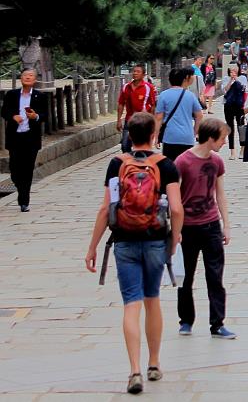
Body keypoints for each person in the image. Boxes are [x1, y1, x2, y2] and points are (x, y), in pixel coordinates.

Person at [84, 112, 183, 394]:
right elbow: (176, 208)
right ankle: (154, 363)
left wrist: (92, 246)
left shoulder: (117, 164)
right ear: (154, 135)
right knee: (152, 299)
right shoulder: (166, 165)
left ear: (129, 135)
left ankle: (134, 370)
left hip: (124, 240)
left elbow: (107, 208)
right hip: (155, 240)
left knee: (131, 303)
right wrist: (175, 237)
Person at [174, 118, 236, 340]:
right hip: (188, 227)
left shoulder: (217, 162)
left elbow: (220, 193)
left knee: (215, 276)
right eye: (222, 139)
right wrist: (175, 229)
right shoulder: (182, 162)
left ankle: (217, 323)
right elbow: (175, 198)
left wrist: (226, 225)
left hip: (211, 225)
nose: (223, 143)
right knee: (186, 277)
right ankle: (186, 320)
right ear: (210, 138)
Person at [1, 68, 48, 212]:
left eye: (31, 75)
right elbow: (4, 111)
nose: (28, 77)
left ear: (35, 79)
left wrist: (36, 117)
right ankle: (19, 186)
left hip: (30, 137)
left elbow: (45, 115)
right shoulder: (12, 95)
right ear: (21, 78)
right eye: (25, 75)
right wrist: (13, 117)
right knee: (15, 169)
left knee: (27, 169)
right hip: (15, 137)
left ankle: (24, 201)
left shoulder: (40, 96)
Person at [154, 67, 204, 162]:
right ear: (183, 79)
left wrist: (156, 136)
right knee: (186, 167)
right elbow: (199, 116)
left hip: (170, 137)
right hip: (187, 137)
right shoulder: (190, 96)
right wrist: (194, 132)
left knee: (171, 167)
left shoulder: (163, 95)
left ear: (170, 80)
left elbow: (158, 118)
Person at [117, 64, 158, 153]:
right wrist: (119, 120)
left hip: (143, 121)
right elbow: (121, 104)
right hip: (129, 120)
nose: (135, 73)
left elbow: (153, 105)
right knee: (125, 145)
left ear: (143, 75)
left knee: (142, 146)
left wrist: (152, 121)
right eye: (134, 71)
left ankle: (140, 162)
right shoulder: (126, 87)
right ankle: (129, 161)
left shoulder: (148, 87)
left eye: (138, 72)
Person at [222, 66, 246, 160]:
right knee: (230, 127)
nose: (234, 72)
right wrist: (230, 80)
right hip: (228, 105)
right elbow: (225, 90)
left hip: (239, 105)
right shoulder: (225, 78)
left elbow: (243, 89)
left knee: (241, 126)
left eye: (235, 70)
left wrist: (236, 79)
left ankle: (243, 149)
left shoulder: (242, 78)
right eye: (232, 70)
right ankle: (232, 151)